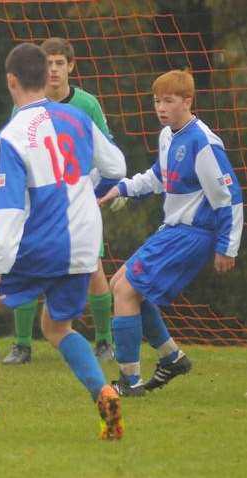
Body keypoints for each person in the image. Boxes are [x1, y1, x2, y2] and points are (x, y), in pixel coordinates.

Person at [0, 43, 127, 440]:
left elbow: (7, 210)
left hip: (40, 244)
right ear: (45, 77)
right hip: (85, 242)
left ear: (12, 81)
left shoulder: (10, 137)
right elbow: (116, 168)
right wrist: (83, 191)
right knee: (57, 325)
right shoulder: (76, 117)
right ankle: (103, 390)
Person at [99, 70, 243, 396]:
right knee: (121, 285)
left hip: (193, 233)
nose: (161, 107)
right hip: (175, 230)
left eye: (169, 100)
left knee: (124, 292)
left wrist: (227, 247)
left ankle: (129, 381)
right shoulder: (168, 135)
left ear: (187, 101)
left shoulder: (202, 142)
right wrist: (120, 189)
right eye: (157, 100)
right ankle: (172, 358)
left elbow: (229, 198)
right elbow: (157, 177)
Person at [2, 37, 117, 365]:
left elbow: (105, 153)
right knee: (25, 263)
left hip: (79, 203)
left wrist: (100, 189)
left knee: (93, 268)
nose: (53, 69)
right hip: (40, 202)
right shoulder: (24, 105)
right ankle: (22, 345)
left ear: (70, 66)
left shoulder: (87, 105)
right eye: (47, 63)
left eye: (59, 63)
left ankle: (105, 341)